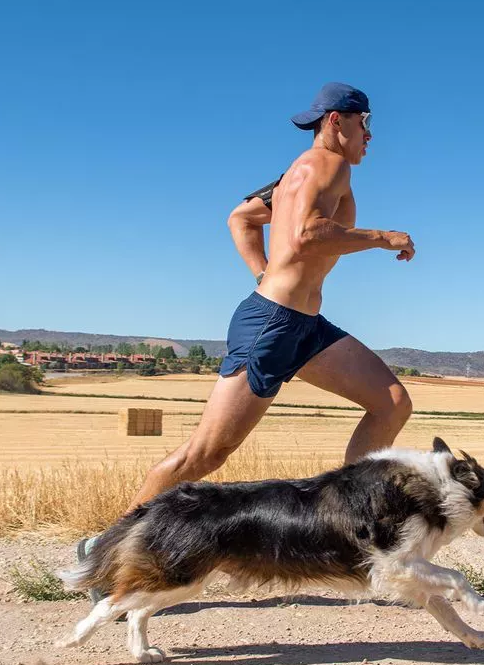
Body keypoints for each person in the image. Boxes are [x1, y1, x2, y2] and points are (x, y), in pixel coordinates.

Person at [78, 82, 418, 578]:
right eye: (366, 124)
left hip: (304, 326)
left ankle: (355, 528)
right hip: (272, 326)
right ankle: (106, 554)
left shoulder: (297, 177)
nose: (370, 135)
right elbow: (307, 233)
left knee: (391, 402)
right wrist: (383, 237)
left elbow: (242, 217)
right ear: (337, 121)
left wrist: (264, 270)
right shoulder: (326, 165)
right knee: (204, 455)